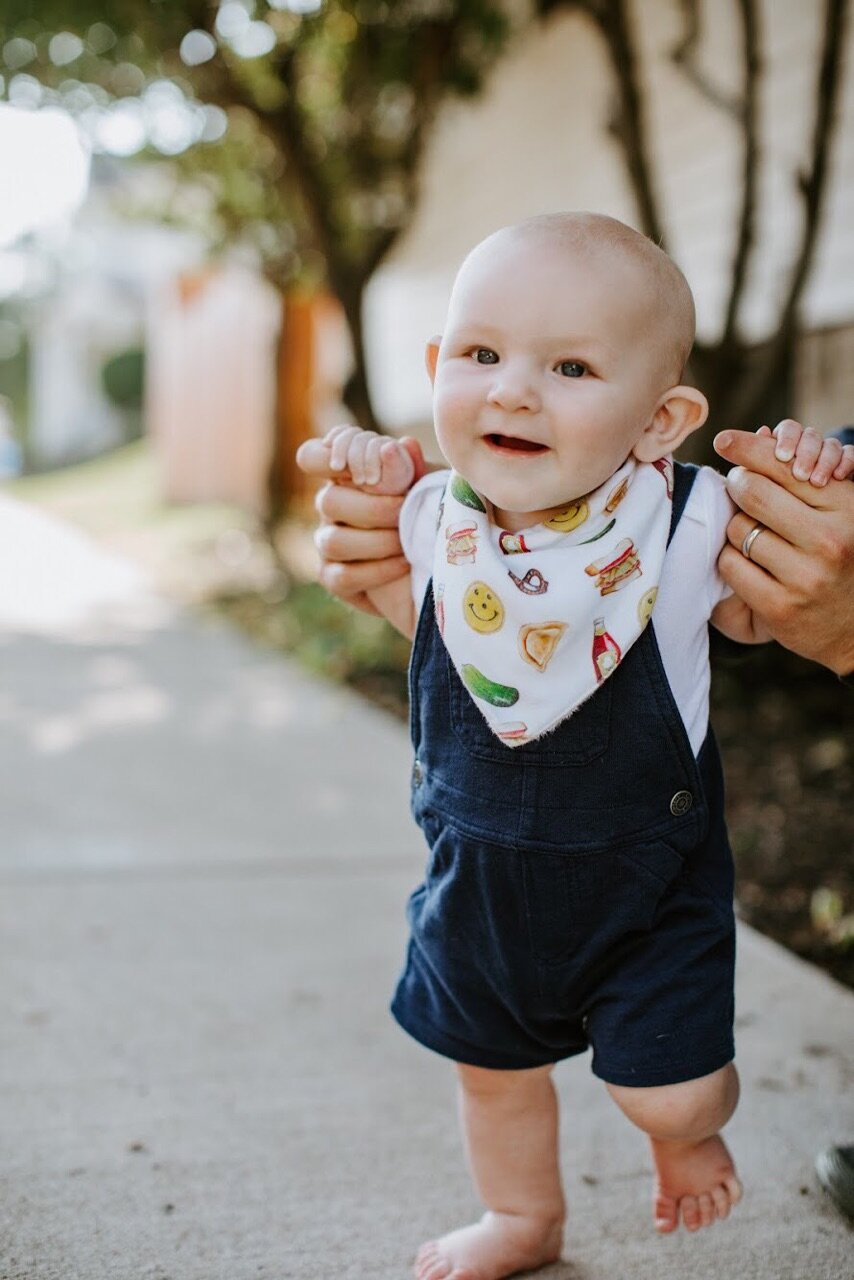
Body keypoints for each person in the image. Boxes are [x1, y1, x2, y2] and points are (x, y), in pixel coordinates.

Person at [297, 213, 854, 1280]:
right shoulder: (426, 517)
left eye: (569, 366)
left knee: (674, 1089)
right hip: (479, 886)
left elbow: (761, 611)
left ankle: (684, 1136)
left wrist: (810, 475)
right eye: (480, 354)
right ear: (435, 368)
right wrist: (364, 466)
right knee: (491, 1075)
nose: (510, 389)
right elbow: (393, 584)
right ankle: (522, 1215)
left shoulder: (683, 524)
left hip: (648, 885)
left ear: (661, 420)